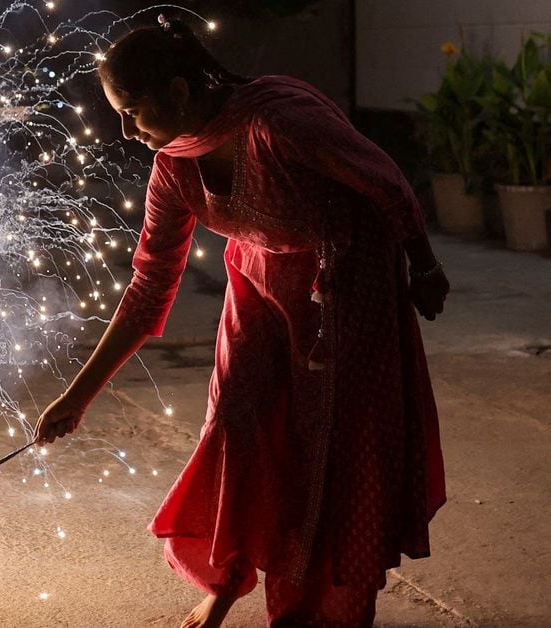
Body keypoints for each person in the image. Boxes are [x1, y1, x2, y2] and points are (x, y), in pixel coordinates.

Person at [33, 17, 449, 628]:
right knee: (235, 418)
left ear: (179, 91)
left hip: (345, 274)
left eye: (133, 112)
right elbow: (150, 285)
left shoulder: (279, 124)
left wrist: (424, 264)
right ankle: (226, 579)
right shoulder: (174, 166)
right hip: (258, 280)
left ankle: (317, 609)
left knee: (327, 442)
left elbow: (386, 182)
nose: (126, 131)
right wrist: (77, 397)